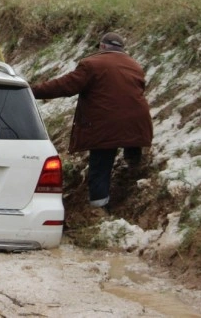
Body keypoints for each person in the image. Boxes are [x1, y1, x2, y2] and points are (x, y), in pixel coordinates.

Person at [31, 32, 153, 213]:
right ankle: (134, 169)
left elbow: (65, 86)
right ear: (122, 49)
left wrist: (30, 91)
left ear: (102, 47)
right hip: (138, 123)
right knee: (129, 139)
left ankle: (99, 207)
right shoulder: (135, 66)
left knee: (101, 164)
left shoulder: (91, 64)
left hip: (105, 124)